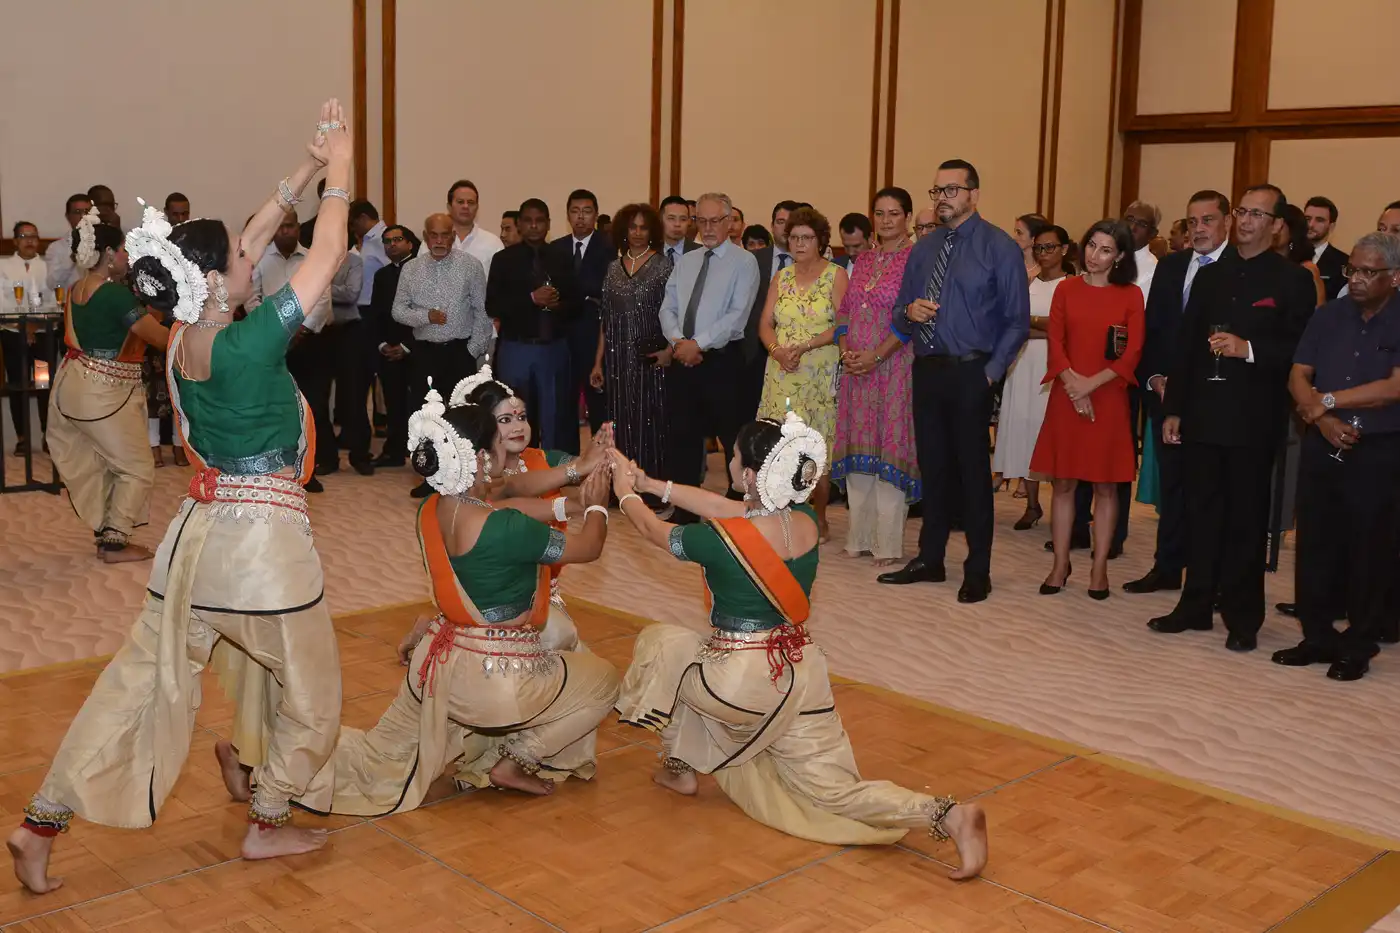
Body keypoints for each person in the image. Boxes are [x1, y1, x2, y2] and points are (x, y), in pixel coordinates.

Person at [7, 101, 355, 896]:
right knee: (316, 688)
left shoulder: (184, 343)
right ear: (208, 277)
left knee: (137, 681)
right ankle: (268, 818)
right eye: (236, 254)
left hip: (195, 540)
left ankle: (40, 821)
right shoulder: (248, 338)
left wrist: (300, 167)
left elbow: (259, 235)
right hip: (262, 552)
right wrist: (344, 161)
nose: (250, 253)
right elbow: (327, 250)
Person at [607, 415, 988, 879]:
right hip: (800, 674)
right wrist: (648, 481)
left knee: (664, 646)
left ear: (749, 475)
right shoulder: (804, 520)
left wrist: (625, 495)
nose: (729, 460)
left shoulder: (721, 539)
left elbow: (654, 532)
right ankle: (944, 814)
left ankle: (679, 764)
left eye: (735, 457)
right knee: (835, 791)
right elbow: (719, 505)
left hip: (741, 681)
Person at [268, 393, 620, 815]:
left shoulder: (434, 509)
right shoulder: (505, 527)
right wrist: (597, 501)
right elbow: (587, 547)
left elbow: (508, 495)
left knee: (376, 756)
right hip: (495, 680)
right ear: (484, 457)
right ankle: (516, 759)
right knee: (602, 679)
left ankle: (263, 765)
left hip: (436, 667)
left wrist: (573, 486)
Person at [1149, 185, 1316, 652]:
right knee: (1200, 512)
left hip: (1254, 417)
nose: (1245, 221)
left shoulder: (1292, 281)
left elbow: (1302, 353)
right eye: (1241, 211)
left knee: (1245, 519)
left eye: (1257, 214)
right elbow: (1185, 347)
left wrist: (1250, 349)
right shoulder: (1210, 275)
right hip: (1202, 412)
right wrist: (1175, 407)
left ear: (1276, 224)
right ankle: (1195, 605)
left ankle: (1243, 618)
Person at [877, 159, 1030, 603]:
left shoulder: (998, 247)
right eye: (937, 191)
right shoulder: (923, 249)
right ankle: (930, 558)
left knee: (973, 473)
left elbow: (1016, 322)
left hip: (971, 370)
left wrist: (989, 374)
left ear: (973, 195)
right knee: (934, 468)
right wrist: (909, 313)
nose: (942, 198)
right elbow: (898, 309)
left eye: (951, 190)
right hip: (927, 369)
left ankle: (977, 569)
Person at [1273, 233, 1400, 682]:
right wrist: (1323, 419)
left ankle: (1358, 643)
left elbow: (1393, 387)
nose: (1358, 279)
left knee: (1368, 547)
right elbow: (1297, 374)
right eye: (1353, 271)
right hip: (1324, 441)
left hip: (1379, 449)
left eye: (1369, 272)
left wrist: (1326, 400)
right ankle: (1316, 635)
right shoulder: (1328, 315)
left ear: (1394, 277)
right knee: (1315, 543)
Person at [1125, 190, 1235, 595]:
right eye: (1192, 221)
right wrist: (1154, 377)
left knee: (1213, 491)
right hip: (1166, 394)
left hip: (1215, 399)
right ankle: (1167, 566)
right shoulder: (1171, 268)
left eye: (1207, 220)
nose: (1199, 228)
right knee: (1172, 485)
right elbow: (1151, 331)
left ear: (1227, 222)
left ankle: (1214, 580)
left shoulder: (1239, 269)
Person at [45, 209, 170, 561]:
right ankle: (115, 541)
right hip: (103, 393)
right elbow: (158, 338)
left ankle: (107, 529)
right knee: (136, 467)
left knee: (101, 462)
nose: (127, 258)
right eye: (124, 251)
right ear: (109, 255)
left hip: (74, 386)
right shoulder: (115, 295)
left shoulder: (76, 290)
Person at [1031, 221, 1144, 599]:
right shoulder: (1066, 289)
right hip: (1066, 394)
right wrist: (1072, 384)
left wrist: (1089, 386)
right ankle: (1060, 563)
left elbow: (1132, 352)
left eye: (1106, 249)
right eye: (1092, 245)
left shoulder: (1131, 296)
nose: (1095, 256)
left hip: (1108, 396)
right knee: (1062, 483)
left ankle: (1099, 567)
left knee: (1106, 486)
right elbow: (1056, 342)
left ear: (1120, 256)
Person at [659, 192, 761, 522]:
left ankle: (739, 503)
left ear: (730, 221)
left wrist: (698, 344)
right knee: (683, 435)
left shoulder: (744, 262)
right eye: (700, 221)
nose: (707, 227)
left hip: (721, 360)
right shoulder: (686, 260)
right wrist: (678, 342)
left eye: (715, 220)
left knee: (730, 433)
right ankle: (686, 507)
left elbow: (737, 316)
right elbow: (668, 306)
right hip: (683, 357)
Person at [832, 187, 919, 566]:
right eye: (880, 213)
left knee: (889, 447)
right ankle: (859, 537)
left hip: (894, 366)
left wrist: (876, 356)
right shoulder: (864, 260)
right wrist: (846, 353)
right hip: (857, 369)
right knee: (859, 450)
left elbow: (913, 319)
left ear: (908, 218)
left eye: (894, 213)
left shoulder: (917, 259)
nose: (886, 221)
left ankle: (887, 544)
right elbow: (845, 312)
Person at [757, 206, 846, 539]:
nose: (798, 243)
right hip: (781, 372)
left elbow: (842, 325)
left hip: (817, 374)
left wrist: (805, 347)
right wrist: (777, 350)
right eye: (793, 237)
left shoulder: (835, 275)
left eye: (806, 237)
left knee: (814, 449)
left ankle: (819, 517)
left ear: (821, 240)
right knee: (779, 448)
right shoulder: (781, 277)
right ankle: (782, 517)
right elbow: (765, 323)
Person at [393, 211, 493, 495]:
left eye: (445, 234)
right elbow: (398, 310)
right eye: (434, 235)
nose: (440, 240)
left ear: (453, 236)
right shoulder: (411, 269)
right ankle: (430, 477)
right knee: (425, 415)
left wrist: (472, 349)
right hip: (424, 352)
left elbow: (482, 312)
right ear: (425, 237)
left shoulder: (470, 266)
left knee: (460, 414)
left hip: (460, 352)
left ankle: (460, 478)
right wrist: (426, 316)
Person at [993, 223, 1072, 531]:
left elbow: (1067, 330)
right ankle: (1032, 505)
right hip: (1023, 365)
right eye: (1039, 247)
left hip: (1056, 368)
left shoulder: (1073, 285)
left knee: (1051, 432)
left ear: (1064, 250)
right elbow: (1013, 326)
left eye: (1050, 247)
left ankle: (1063, 509)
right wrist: (1045, 326)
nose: (1044, 253)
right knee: (1026, 430)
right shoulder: (1026, 284)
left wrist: (1037, 325)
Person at [590, 202, 671, 502]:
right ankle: (619, 488)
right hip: (616, 359)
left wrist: (668, 350)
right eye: (632, 227)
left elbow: (671, 313)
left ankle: (649, 490)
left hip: (649, 357)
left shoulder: (664, 266)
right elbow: (605, 320)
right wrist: (598, 361)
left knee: (651, 422)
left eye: (643, 227)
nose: (637, 233)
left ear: (652, 231)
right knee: (620, 421)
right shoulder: (612, 268)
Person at [488, 199, 578, 452]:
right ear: (519, 224)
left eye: (540, 220)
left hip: (553, 349)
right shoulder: (503, 260)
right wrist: (531, 299)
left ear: (548, 224)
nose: (534, 226)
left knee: (554, 415)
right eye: (528, 220)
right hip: (517, 348)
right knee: (514, 413)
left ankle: (551, 473)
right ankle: (516, 471)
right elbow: (492, 305)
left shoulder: (561, 258)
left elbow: (577, 305)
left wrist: (557, 304)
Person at [551, 188, 612, 449]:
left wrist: (583, 296)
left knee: (599, 403)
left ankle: (602, 460)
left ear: (596, 215)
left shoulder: (609, 249)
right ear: (567, 215)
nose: (581, 217)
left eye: (587, 212)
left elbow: (605, 294)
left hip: (594, 336)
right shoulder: (556, 248)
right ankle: (566, 461)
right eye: (575, 211)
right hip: (561, 337)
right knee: (563, 402)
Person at [1, 220, 53, 455]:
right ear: (15, 241)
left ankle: (47, 434)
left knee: (44, 383)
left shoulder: (48, 266)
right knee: (17, 384)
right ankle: (22, 437)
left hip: (42, 335)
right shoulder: (4, 266)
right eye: (24, 236)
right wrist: (23, 327)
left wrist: (34, 325)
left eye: (34, 235)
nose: (30, 240)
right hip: (13, 335)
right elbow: (3, 301)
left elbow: (54, 300)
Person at [45, 193, 93, 293]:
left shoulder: (105, 242)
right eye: (77, 212)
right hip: (70, 304)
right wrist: (71, 259)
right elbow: (52, 284)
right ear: (68, 216)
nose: (83, 216)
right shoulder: (56, 248)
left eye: (87, 212)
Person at [1303, 196, 1348, 301]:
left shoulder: (1344, 263)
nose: (1311, 225)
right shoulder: (1289, 255)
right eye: (1307, 219)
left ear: (1331, 226)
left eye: (1319, 220)